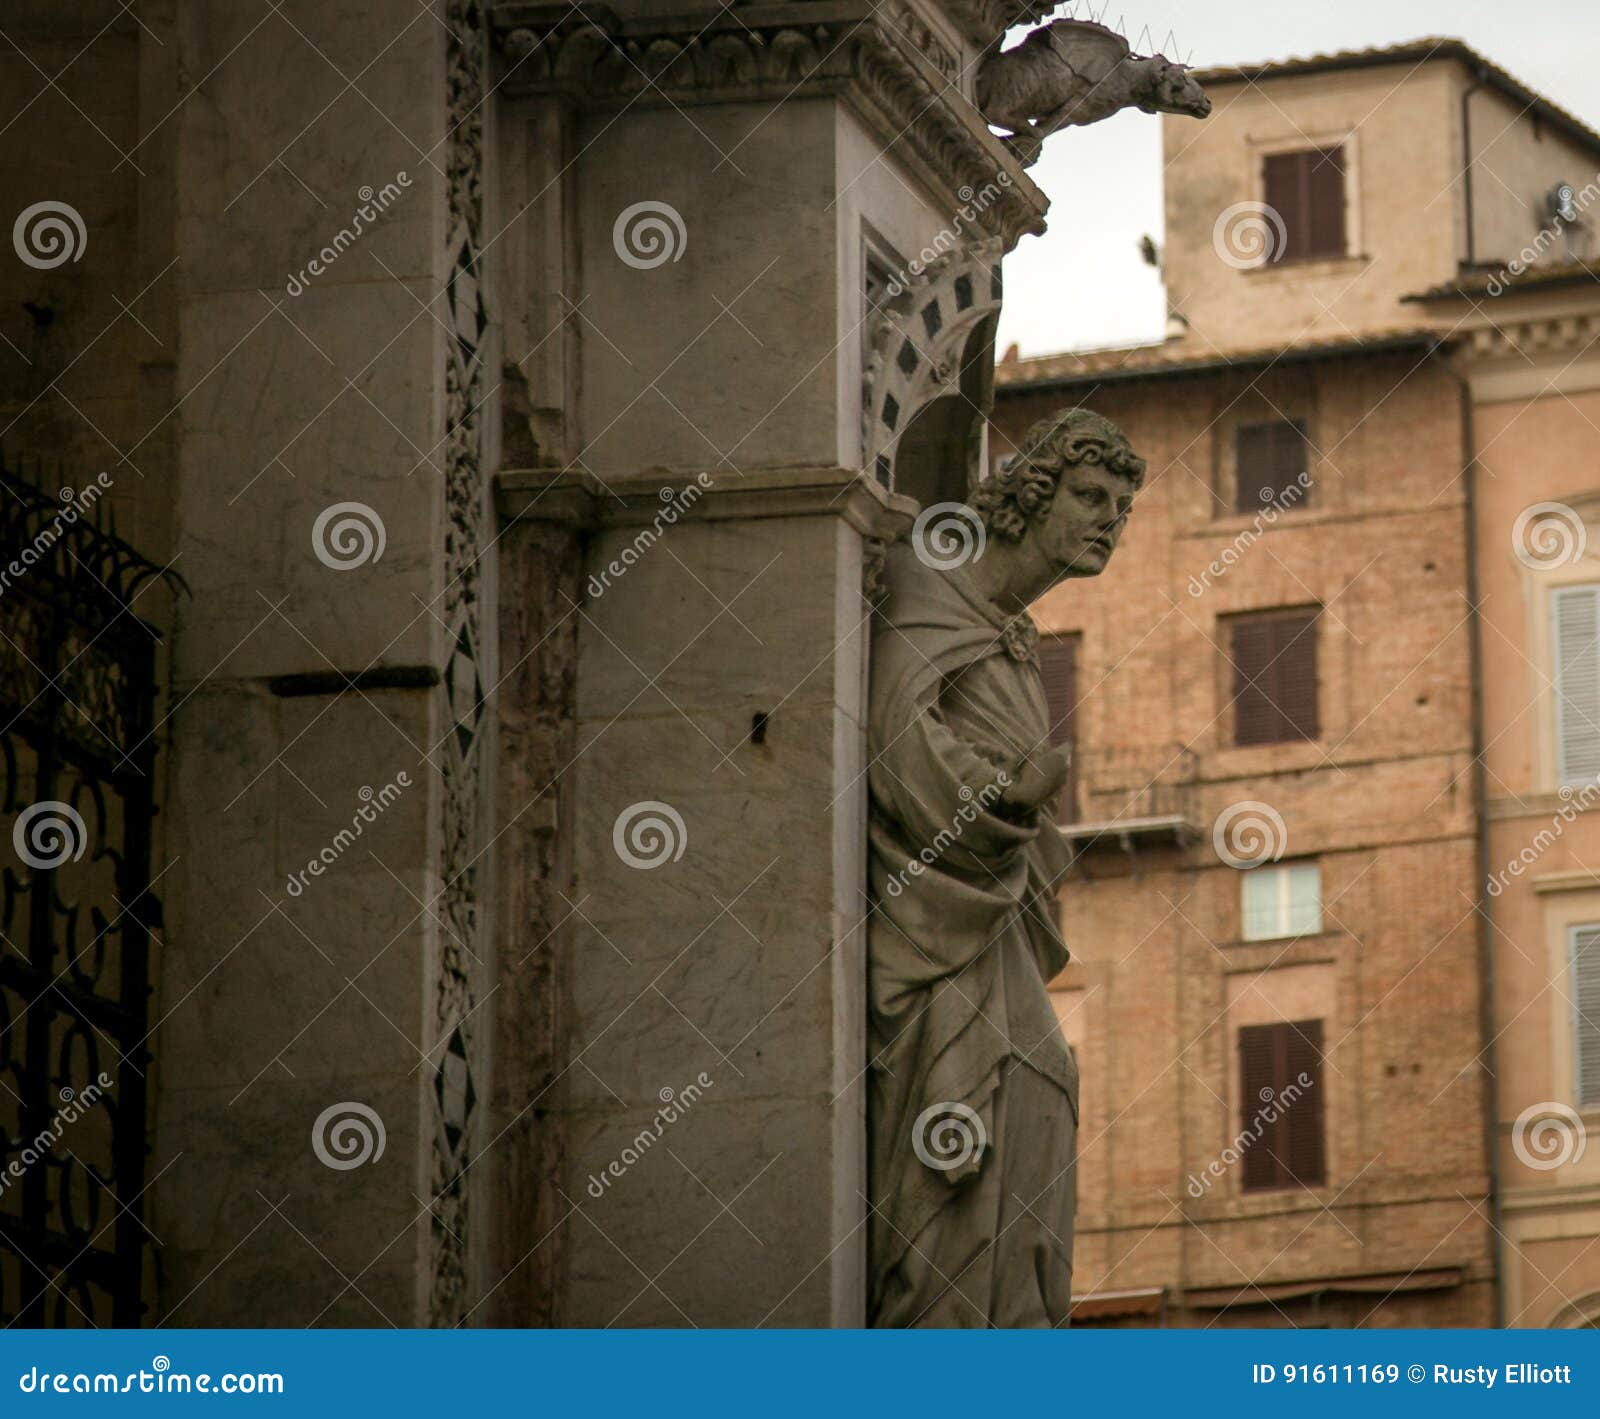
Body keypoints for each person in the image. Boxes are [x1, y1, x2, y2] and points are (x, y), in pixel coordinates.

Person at [867, 408, 1145, 1326]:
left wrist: (1017, 806)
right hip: (935, 930)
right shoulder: (934, 588)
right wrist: (1011, 802)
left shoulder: (1016, 639)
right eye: (1091, 496)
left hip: (992, 921)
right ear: (1031, 493)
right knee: (993, 1104)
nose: (1109, 517)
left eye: (1122, 505)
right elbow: (896, 740)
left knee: (1042, 1094)